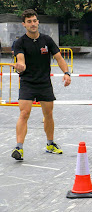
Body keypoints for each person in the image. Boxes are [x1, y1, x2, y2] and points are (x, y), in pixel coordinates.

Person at [10, 9, 71, 160]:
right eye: (29, 21)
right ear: (24, 24)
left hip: (44, 83)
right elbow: (21, 59)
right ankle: (19, 147)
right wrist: (21, 66)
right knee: (24, 113)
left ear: (38, 22)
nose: (33, 24)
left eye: (34, 21)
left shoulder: (47, 40)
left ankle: (50, 144)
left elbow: (59, 58)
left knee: (48, 114)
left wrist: (66, 73)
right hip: (28, 82)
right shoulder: (20, 42)